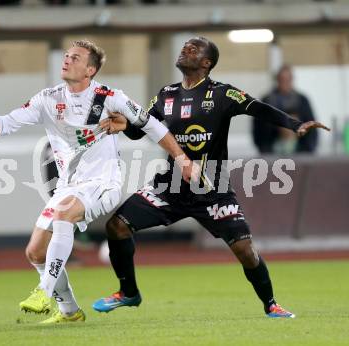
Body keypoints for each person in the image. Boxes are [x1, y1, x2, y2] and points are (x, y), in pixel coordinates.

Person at [0, 39, 198, 325]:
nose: (67, 60)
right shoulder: (49, 98)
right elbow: (8, 121)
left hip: (103, 182)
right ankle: (70, 311)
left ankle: (43, 292)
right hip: (69, 186)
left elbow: (152, 125)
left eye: (75, 57)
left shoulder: (110, 97)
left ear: (90, 70)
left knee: (64, 214)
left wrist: (182, 159)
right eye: (67, 55)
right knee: (35, 251)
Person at [93, 36, 330, 318]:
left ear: (206, 63)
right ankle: (129, 293)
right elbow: (143, 128)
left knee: (245, 250)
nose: (185, 50)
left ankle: (271, 304)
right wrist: (125, 125)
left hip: (213, 189)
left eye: (193, 49)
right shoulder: (166, 94)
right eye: (184, 47)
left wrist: (295, 124)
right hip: (171, 187)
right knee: (117, 226)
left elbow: (258, 107)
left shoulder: (222, 94)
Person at [253, 65, 318, 154]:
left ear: (292, 80)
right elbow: (258, 129)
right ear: (277, 80)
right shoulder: (267, 101)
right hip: (273, 150)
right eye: (282, 79)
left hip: (299, 150)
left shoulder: (302, 100)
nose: (285, 83)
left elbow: (312, 128)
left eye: (288, 79)